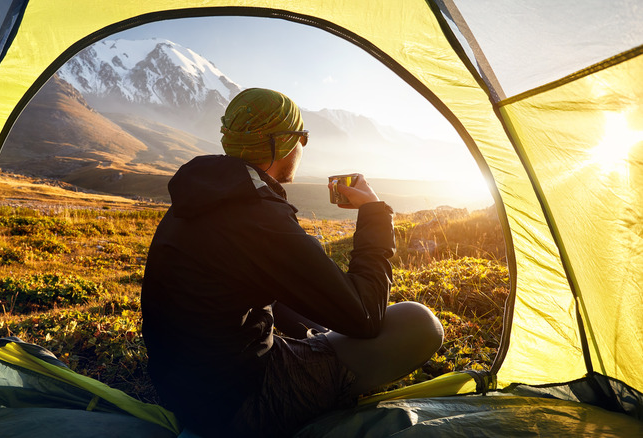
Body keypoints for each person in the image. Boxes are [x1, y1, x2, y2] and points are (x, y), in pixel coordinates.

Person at [141, 88, 443, 437]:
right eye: (304, 137)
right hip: (242, 405)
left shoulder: (199, 196)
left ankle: (320, 346)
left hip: (184, 388)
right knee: (419, 323)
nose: (303, 146)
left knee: (321, 323)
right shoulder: (258, 217)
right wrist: (373, 211)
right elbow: (366, 317)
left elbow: (251, 288)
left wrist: (314, 327)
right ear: (282, 144)